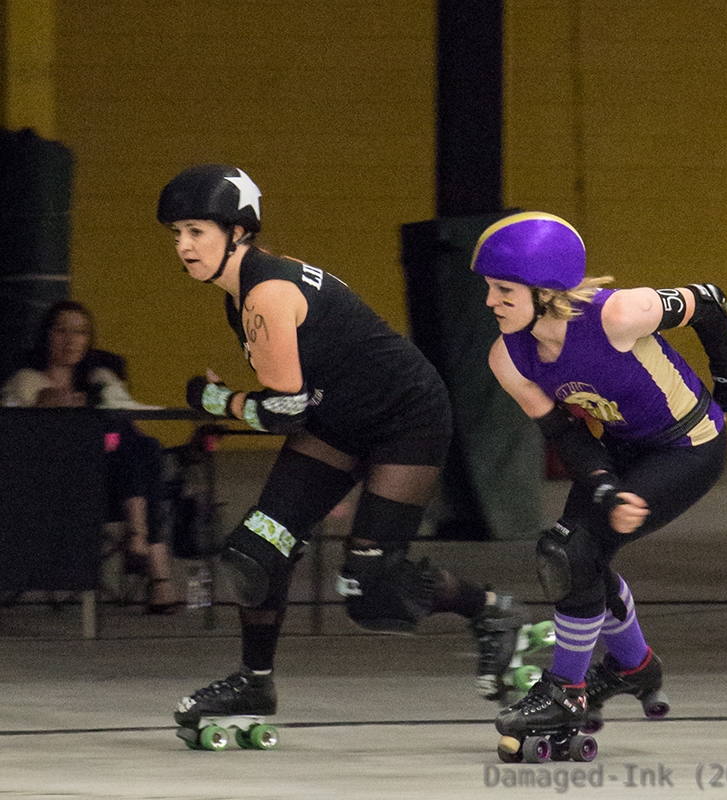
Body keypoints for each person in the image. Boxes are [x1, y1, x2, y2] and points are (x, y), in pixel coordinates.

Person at [156, 163, 529, 728]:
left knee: (369, 588)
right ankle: (254, 686)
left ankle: (491, 612)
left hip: (406, 419)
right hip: (337, 420)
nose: (184, 246)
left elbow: (283, 411)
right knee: (256, 552)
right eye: (177, 233)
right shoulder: (242, 293)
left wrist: (215, 402)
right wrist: (228, 401)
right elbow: (297, 405)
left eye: (196, 232)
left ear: (238, 233)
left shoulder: (266, 293)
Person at [469, 212, 727, 759]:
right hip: (621, 451)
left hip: (687, 445)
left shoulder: (618, 314)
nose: (489, 302)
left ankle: (565, 691)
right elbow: (566, 435)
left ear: (546, 292)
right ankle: (635, 666)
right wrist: (601, 485)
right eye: (489, 289)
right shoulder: (507, 356)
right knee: (570, 556)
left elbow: (710, 301)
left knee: (574, 552)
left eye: (503, 289)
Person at [0, 300, 180, 613]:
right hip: (53, 486)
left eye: (80, 332)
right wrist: (46, 405)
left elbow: (128, 417)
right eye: (62, 331)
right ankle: (155, 571)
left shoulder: (99, 379)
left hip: (107, 483)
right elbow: (15, 440)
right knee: (135, 448)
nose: (71, 340)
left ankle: (139, 541)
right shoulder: (27, 381)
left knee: (137, 444)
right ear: (47, 335)